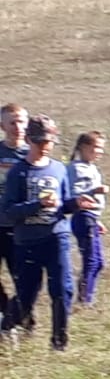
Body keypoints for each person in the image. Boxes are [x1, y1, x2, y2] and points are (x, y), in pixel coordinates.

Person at [1, 115, 97, 351]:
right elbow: (9, 212)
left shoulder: (59, 169)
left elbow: (63, 205)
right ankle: (6, 328)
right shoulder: (18, 173)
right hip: (27, 241)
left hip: (56, 238)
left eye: (48, 142)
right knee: (26, 295)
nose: (44, 146)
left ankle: (59, 344)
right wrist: (38, 205)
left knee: (63, 290)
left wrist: (77, 203)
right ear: (29, 141)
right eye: (39, 142)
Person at [67, 131, 110, 308]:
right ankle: (84, 301)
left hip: (91, 217)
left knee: (99, 262)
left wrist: (97, 219)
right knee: (91, 260)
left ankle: (87, 297)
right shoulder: (75, 169)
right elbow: (73, 193)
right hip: (83, 217)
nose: (100, 151)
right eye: (96, 147)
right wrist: (94, 191)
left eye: (101, 148)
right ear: (83, 148)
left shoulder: (91, 167)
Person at [0, 104, 29, 323]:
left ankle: (24, 321)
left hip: (21, 227)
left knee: (23, 278)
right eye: (12, 122)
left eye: (20, 122)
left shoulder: (32, 154)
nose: (17, 127)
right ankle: (4, 313)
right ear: (2, 126)